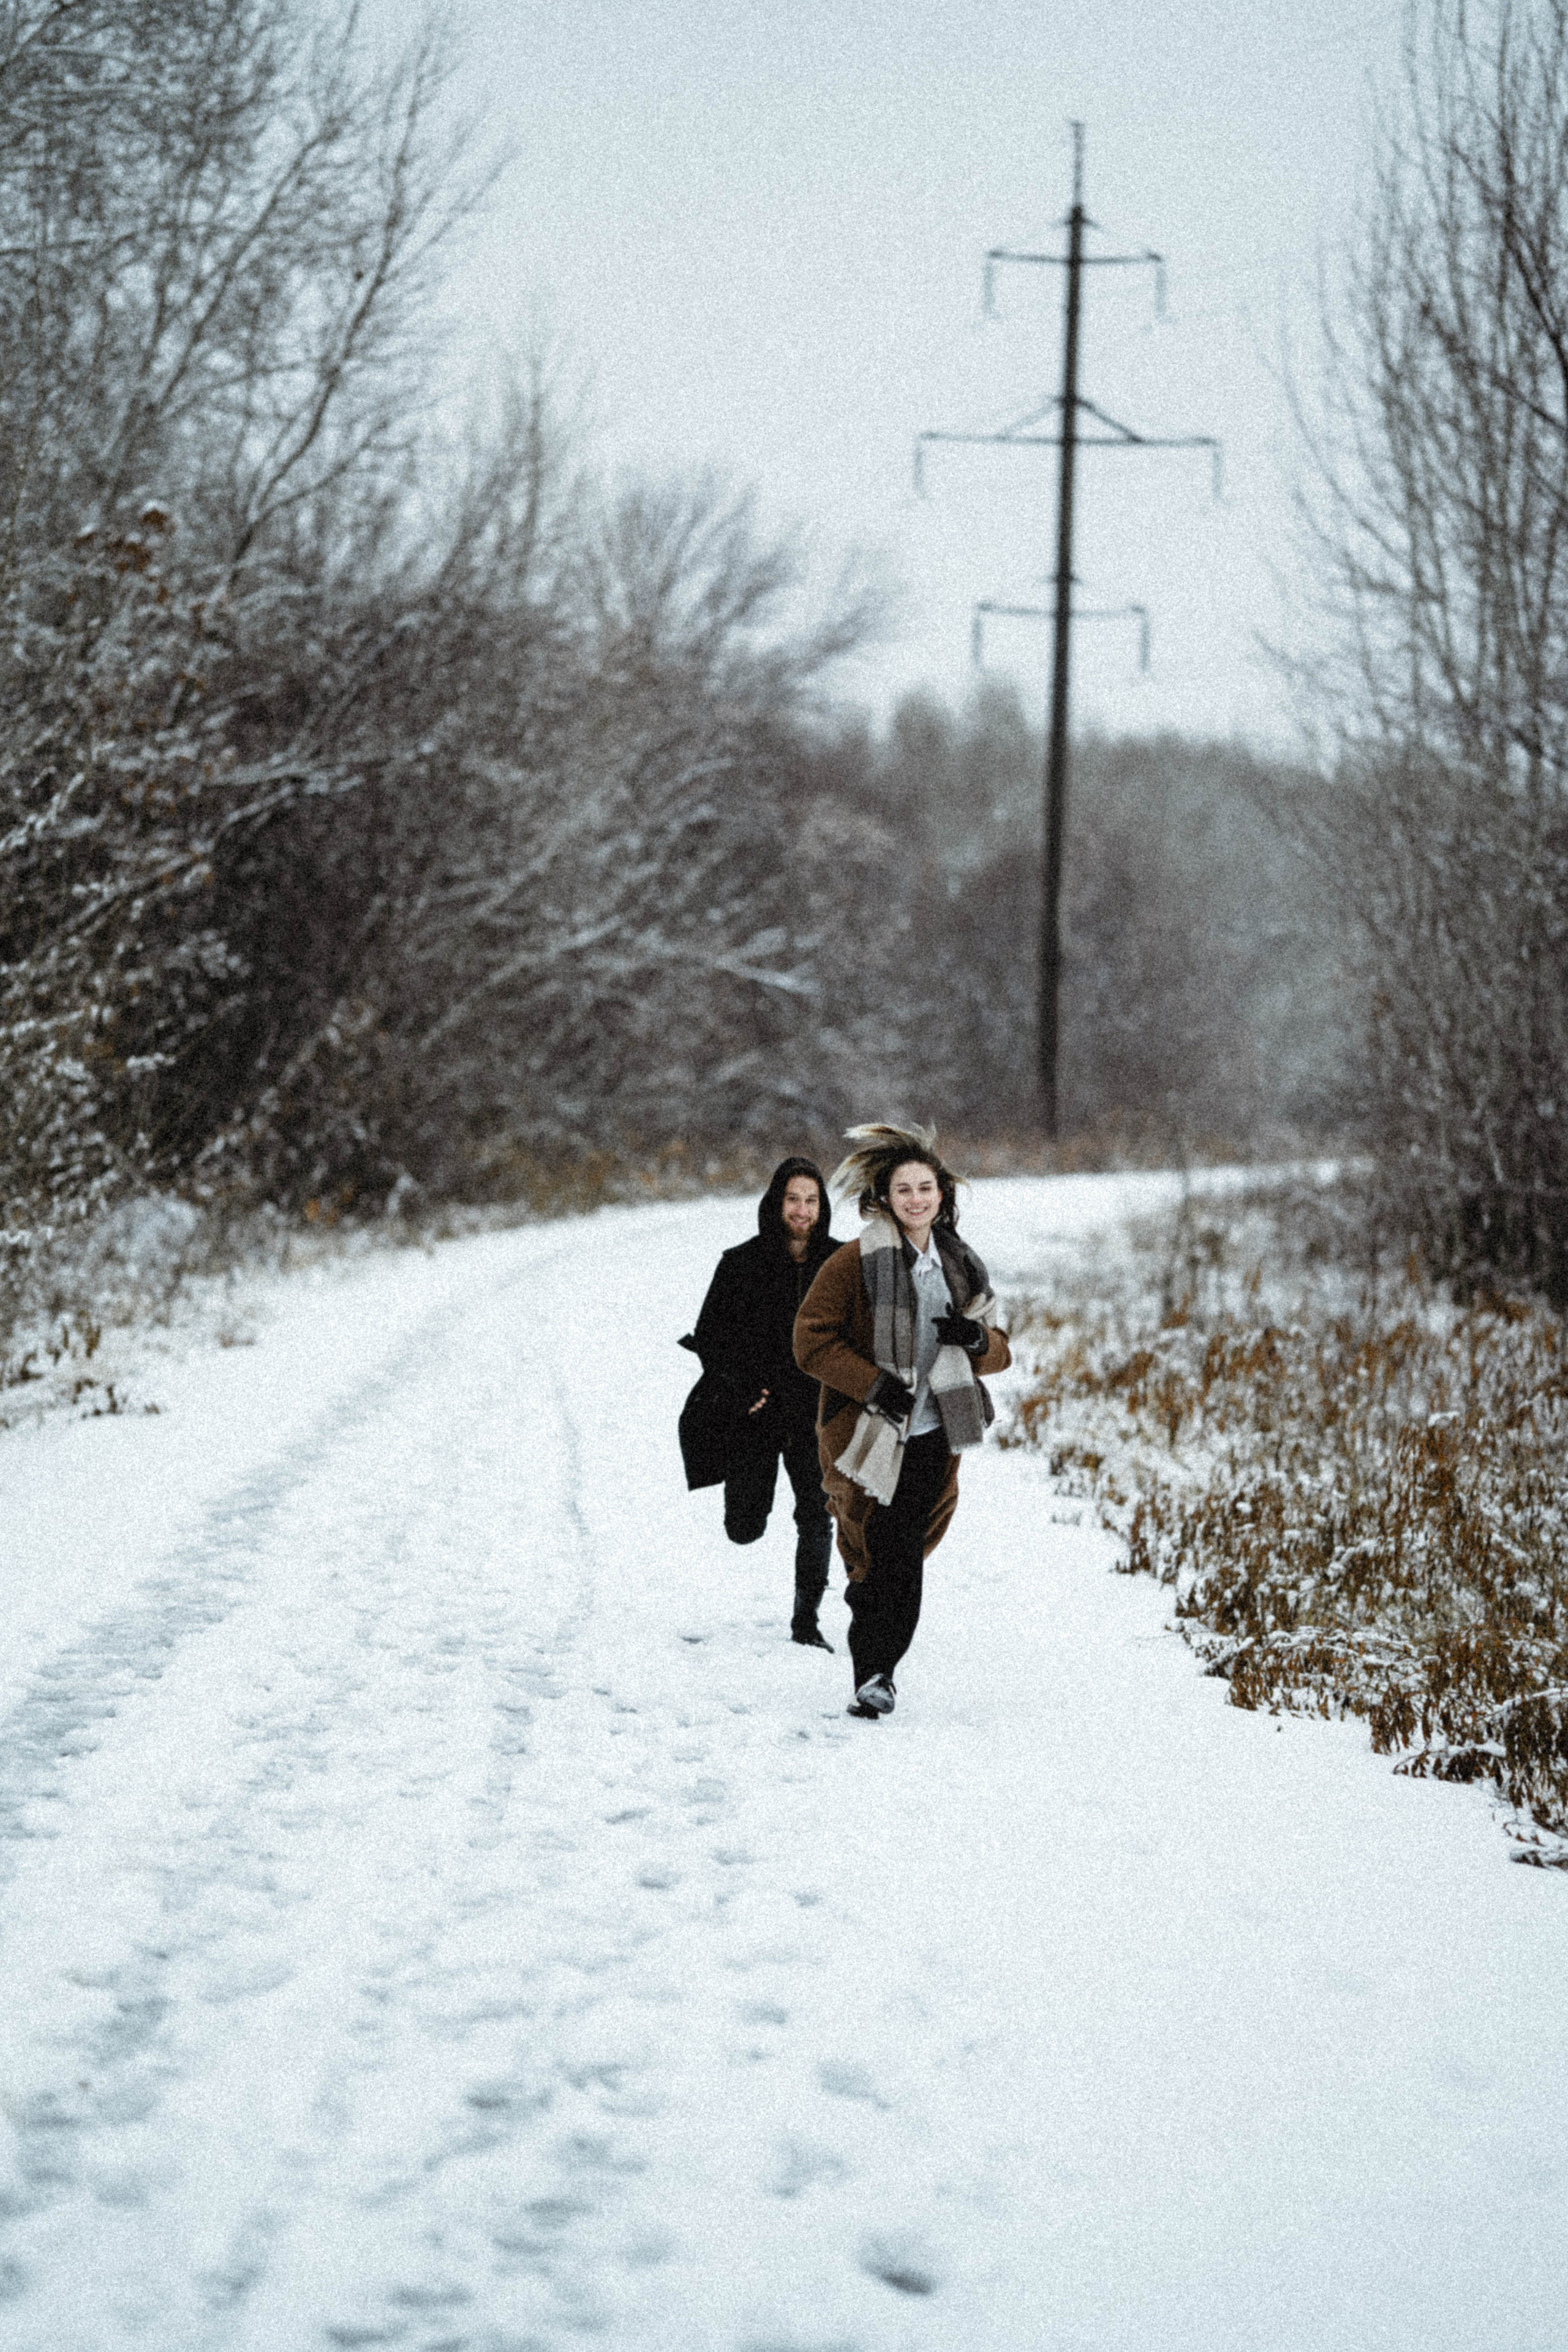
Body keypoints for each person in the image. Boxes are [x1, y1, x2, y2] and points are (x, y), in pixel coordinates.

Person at [793, 1121, 1011, 1718]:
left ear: (942, 1194)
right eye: (903, 1190)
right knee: (875, 1555)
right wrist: (873, 1386)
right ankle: (875, 1669)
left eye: (925, 1188)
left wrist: (974, 1339)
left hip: (936, 1432)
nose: (916, 1200)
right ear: (883, 1198)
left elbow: (1001, 1348)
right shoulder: (851, 1263)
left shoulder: (961, 1263)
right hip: (869, 1434)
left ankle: (879, 1672)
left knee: (903, 1555)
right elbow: (810, 1343)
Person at [689, 1157, 842, 1649]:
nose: (801, 1210)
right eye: (793, 1199)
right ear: (777, 1203)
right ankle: (746, 1515)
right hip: (756, 1409)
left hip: (813, 1412)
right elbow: (711, 1338)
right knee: (744, 1527)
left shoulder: (839, 1265)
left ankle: (806, 1623)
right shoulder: (740, 1263)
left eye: (811, 1200)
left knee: (817, 1513)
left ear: (822, 1208)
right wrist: (739, 1394)